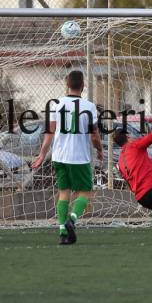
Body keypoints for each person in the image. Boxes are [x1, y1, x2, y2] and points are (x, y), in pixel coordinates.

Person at [32, 71, 104, 244]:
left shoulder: (56, 104)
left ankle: (63, 232)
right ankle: (71, 219)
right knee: (85, 192)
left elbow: (49, 132)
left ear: (67, 84)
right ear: (83, 86)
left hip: (59, 156)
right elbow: (94, 135)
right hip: (79, 157)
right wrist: (100, 150)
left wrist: (42, 153)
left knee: (63, 192)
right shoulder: (89, 107)